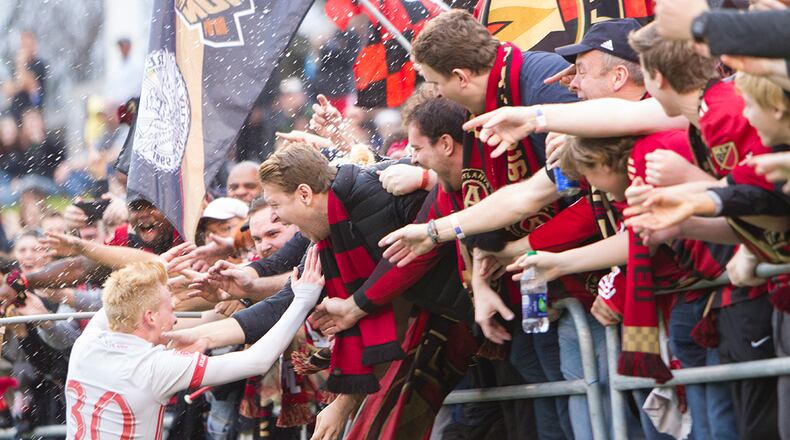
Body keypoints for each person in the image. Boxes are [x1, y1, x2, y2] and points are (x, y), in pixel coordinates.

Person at [61, 252, 322, 439]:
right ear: (150, 317)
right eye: (170, 308)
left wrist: (156, 276)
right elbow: (257, 360)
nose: (174, 319)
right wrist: (302, 300)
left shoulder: (86, 343)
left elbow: (116, 303)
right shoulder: (155, 367)